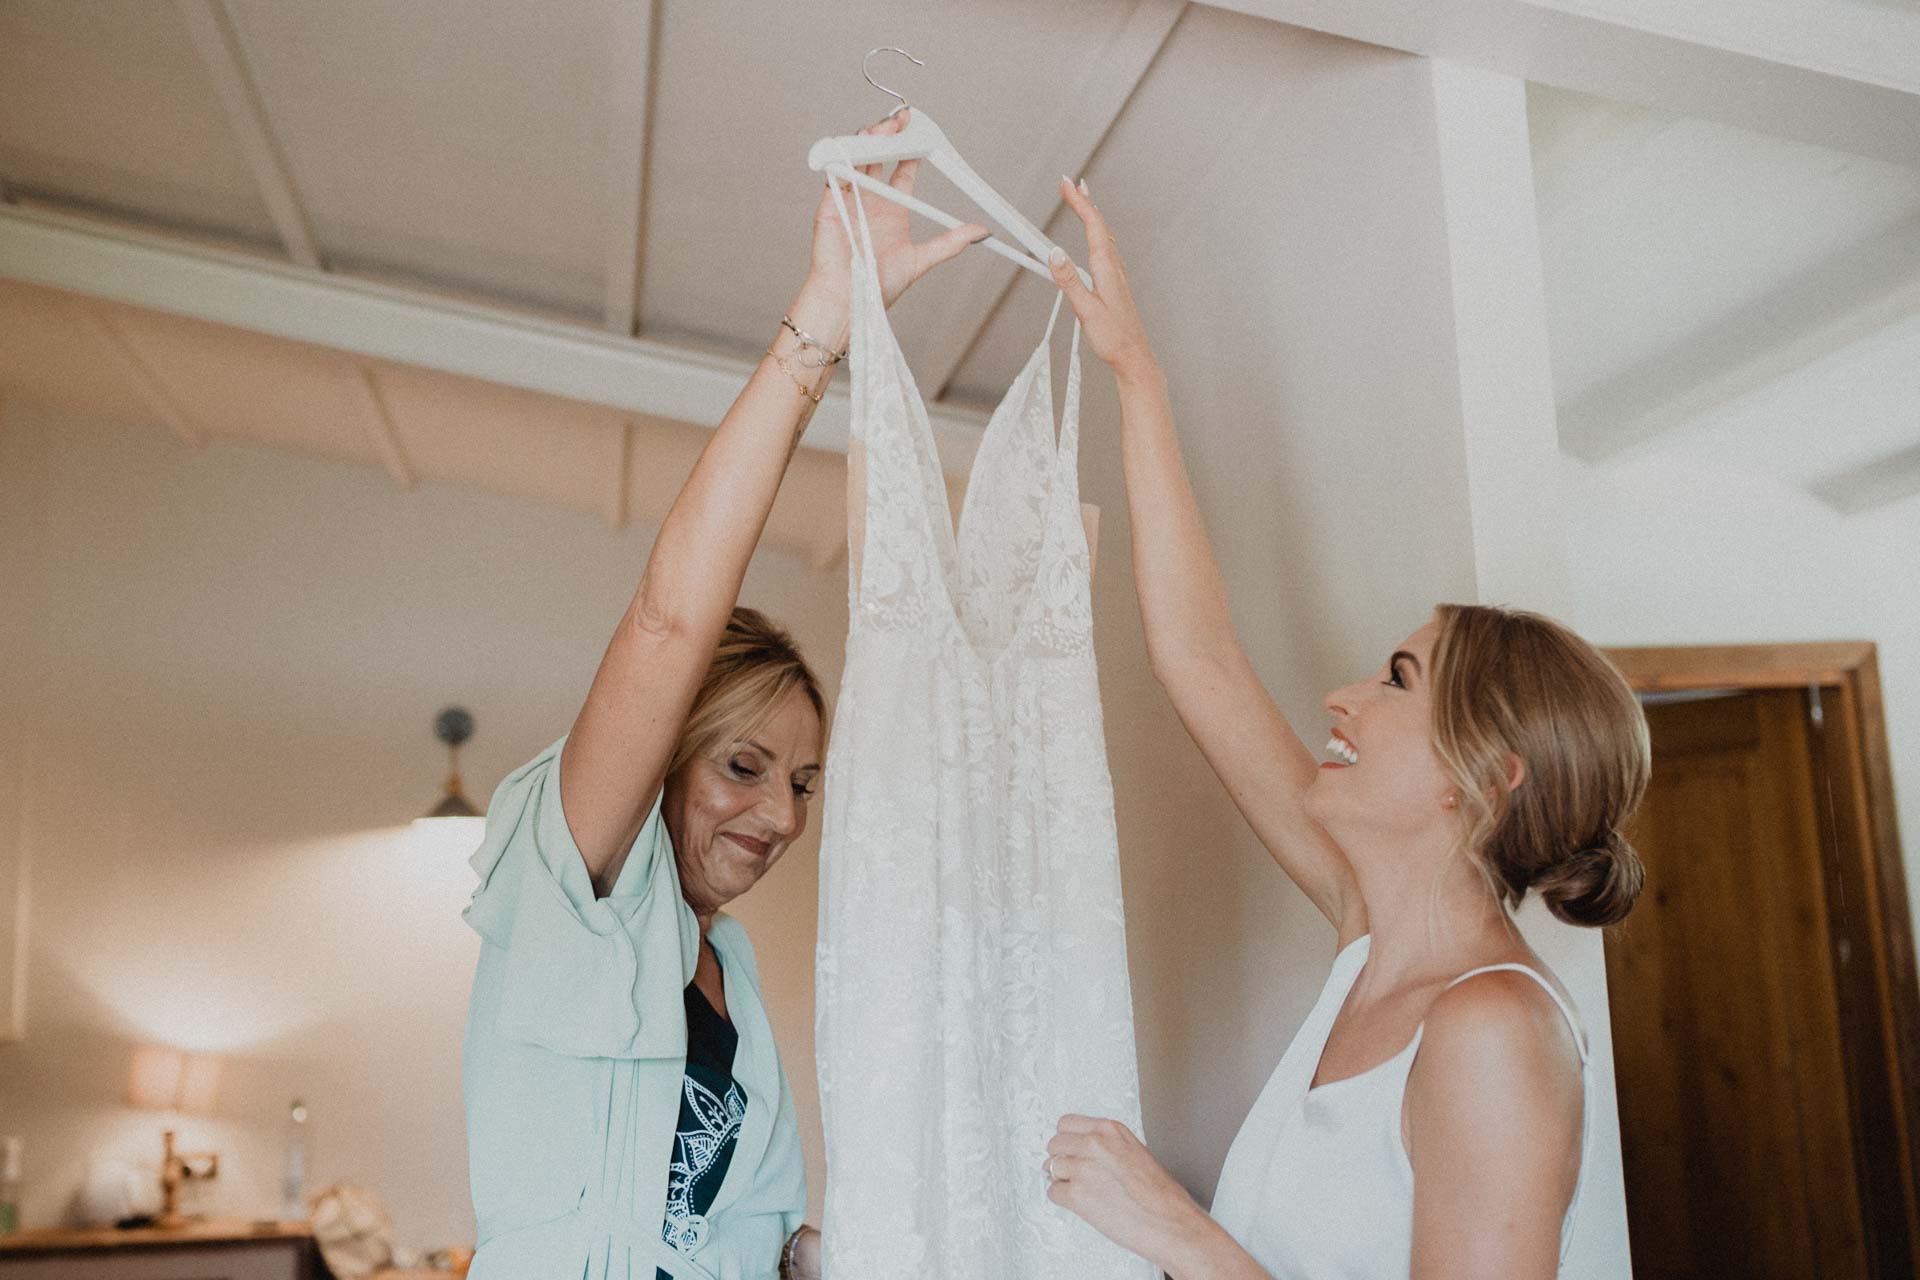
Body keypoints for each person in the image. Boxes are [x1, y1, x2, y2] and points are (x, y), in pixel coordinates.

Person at [1035, 177, 1651, 1278]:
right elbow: (1201, 658)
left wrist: (1178, 1231)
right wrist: (1138, 376)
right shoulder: (1367, 932)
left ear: (1483, 775)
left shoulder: (1495, 1033)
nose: (1343, 695)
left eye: (1397, 678)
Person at [460, 109, 991, 1280]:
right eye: (744, 765)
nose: (783, 814)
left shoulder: (732, 970)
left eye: (804, 781)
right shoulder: (586, 883)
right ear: (663, 758)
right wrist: (823, 333)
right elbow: (667, 623)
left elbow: (727, 1231)